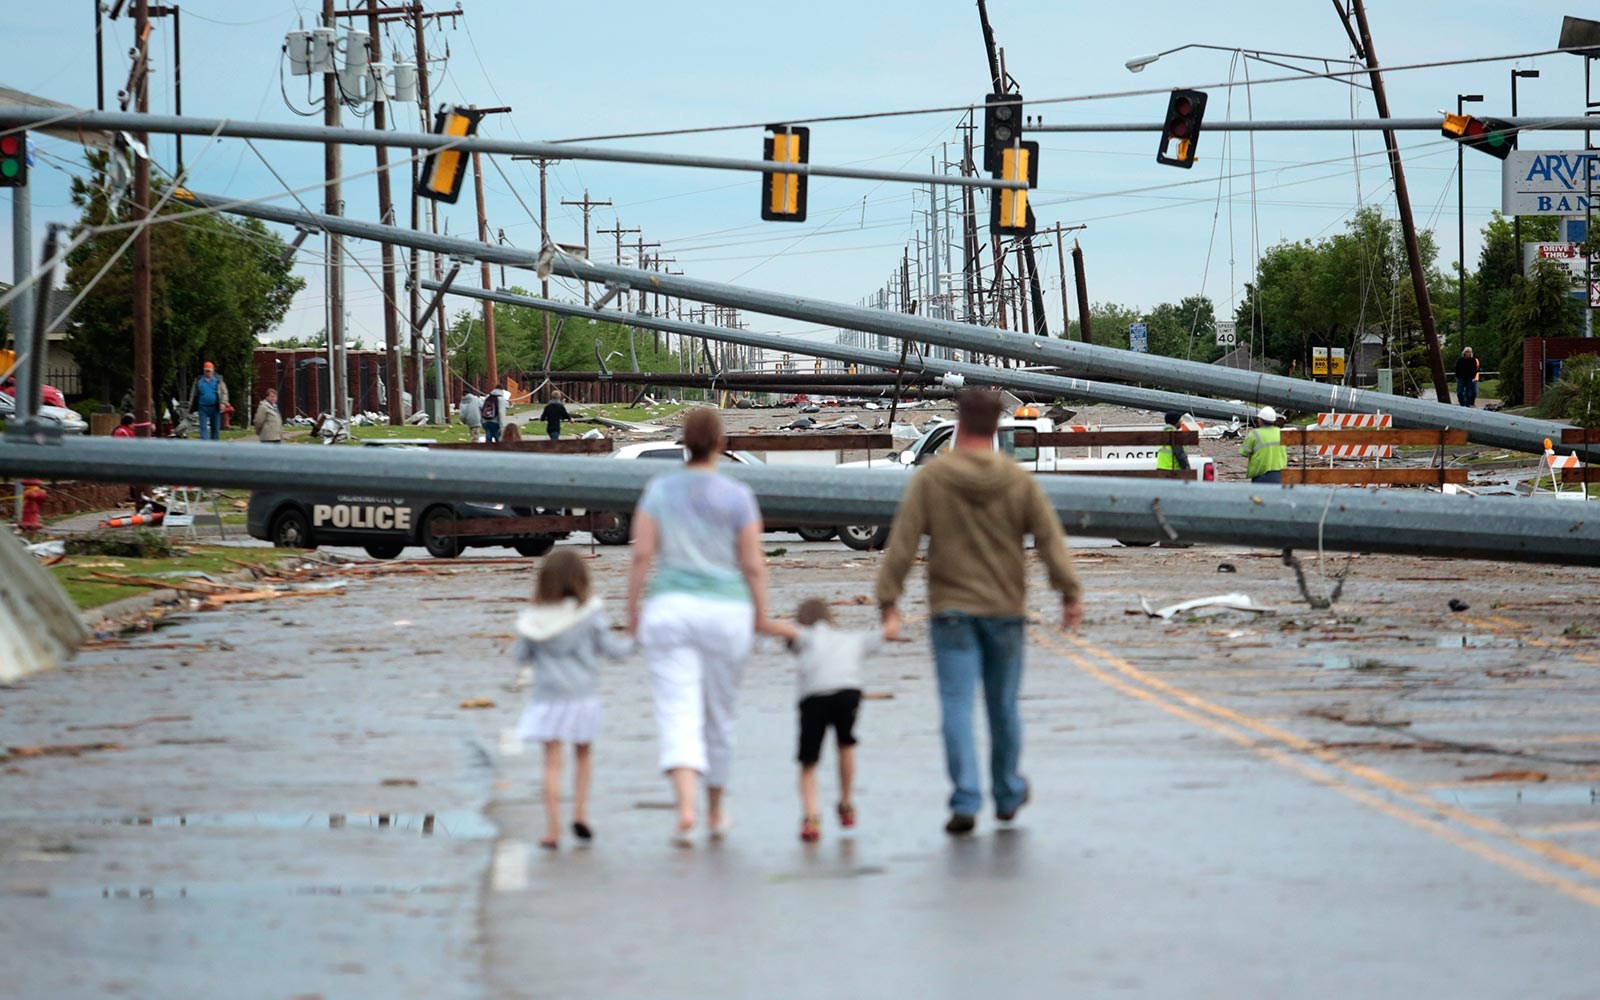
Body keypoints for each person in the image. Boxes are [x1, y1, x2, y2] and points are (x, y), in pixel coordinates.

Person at [876, 389, 1082, 836]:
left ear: (961, 423)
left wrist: (888, 601)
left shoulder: (933, 479)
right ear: (995, 428)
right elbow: (1050, 540)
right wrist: (1069, 593)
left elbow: (904, 542)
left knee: (956, 705)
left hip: (950, 611)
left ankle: (966, 798)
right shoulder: (1016, 481)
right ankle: (1007, 793)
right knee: (1003, 707)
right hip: (1005, 609)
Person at [626, 407, 780, 845]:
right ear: (721, 444)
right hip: (726, 612)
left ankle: (685, 808)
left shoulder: (658, 490)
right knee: (718, 716)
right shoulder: (737, 494)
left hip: (670, 608)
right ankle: (715, 809)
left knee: (677, 711)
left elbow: (642, 555)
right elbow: (752, 563)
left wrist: (632, 611)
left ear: (683, 443)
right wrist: (763, 614)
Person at [512, 549, 634, 850]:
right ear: (581, 579)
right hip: (583, 697)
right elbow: (614, 652)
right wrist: (638, 639)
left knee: (552, 764)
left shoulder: (534, 620)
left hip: (548, 698)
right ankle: (580, 814)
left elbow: (519, 657)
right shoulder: (590, 614)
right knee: (583, 756)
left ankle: (552, 829)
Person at [767, 599, 881, 843]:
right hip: (848, 692)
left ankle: (811, 818)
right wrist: (890, 613)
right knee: (846, 746)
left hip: (815, 697)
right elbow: (886, 633)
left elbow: (785, 632)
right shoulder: (850, 638)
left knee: (809, 761)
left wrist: (761, 620)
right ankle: (847, 804)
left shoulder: (805, 635)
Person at [1240, 406, 1287, 484]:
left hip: (1261, 475)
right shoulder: (1281, 433)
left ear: (1261, 420)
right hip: (1280, 474)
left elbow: (1244, 452)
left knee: (1260, 496)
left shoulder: (1254, 434)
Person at [189, 362, 230, 441]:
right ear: (204, 371)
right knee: (203, 428)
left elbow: (224, 392)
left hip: (215, 407)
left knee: (215, 428)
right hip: (202, 407)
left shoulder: (218, 381)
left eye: (209, 371)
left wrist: (223, 403)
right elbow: (193, 393)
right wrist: (191, 405)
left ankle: (214, 446)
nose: (208, 372)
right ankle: (205, 446)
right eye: (206, 371)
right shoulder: (199, 381)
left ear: (213, 371)